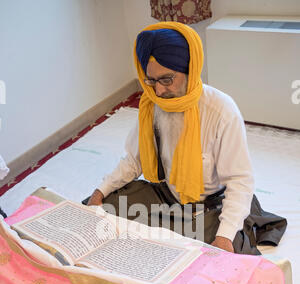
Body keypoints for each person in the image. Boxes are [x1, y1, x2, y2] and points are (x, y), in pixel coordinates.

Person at [84, 22, 287, 255]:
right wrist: (100, 191)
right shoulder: (153, 105)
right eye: (151, 81)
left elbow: (240, 181)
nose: (158, 91)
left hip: (211, 204)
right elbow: (134, 160)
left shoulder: (221, 111)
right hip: (166, 194)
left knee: (206, 250)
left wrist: (224, 236)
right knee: (105, 210)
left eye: (166, 80)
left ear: (190, 69)